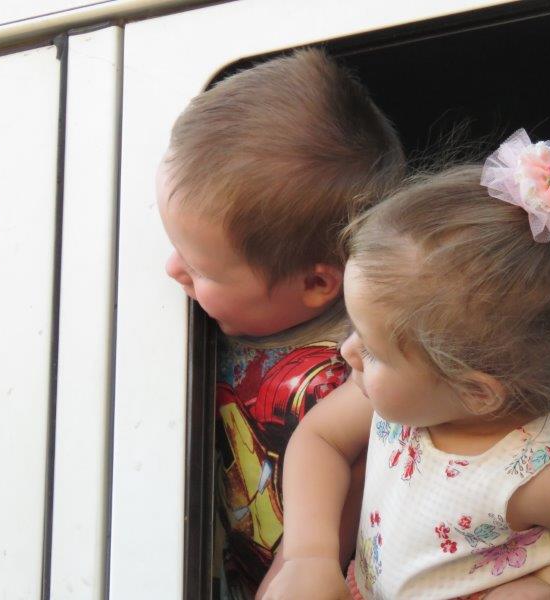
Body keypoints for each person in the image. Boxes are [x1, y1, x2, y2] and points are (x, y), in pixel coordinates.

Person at [265, 129, 550, 599]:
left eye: (373, 350)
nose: (346, 352)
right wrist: (309, 556)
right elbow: (320, 439)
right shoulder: (404, 398)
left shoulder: (538, 477)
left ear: (476, 391)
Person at [157, 48, 406, 599]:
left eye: (201, 268)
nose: (172, 269)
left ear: (316, 283)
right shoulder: (231, 319)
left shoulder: (360, 375)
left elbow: (326, 544)